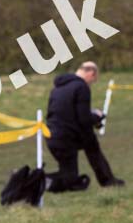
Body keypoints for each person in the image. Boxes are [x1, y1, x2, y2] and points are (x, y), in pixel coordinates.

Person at [45, 61, 124, 192]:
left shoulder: (57, 88)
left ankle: (105, 181)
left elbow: (65, 113)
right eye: (93, 80)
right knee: (70, 177)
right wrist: (97, 117)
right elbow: (83, 119)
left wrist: (91, 119)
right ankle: (37, 181)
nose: (91, 83)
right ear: (91, 73)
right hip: (66, 137)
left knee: (88, 146)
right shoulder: (81, 87)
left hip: (53, 135)